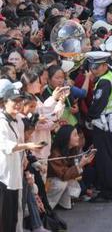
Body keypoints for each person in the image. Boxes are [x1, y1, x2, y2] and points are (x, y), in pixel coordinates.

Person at [0, 79, 45, 232]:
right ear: (4, 102)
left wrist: (27, 157)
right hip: (3, 177)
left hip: (16, 175)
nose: (18, 105)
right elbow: (7, 146)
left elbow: (21, 141)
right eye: (14, 101)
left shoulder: (18, 120)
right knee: (4, 217)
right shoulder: (1, 122)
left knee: (14, 215)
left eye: (20, 101)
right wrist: (28, 146)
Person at [85, 51, 112, 203]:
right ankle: (109, 187)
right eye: (91, 66)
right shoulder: (109, 76)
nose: (93, 69)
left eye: (95, 66)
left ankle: (107, 191)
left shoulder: (104, 82)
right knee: (110, 156)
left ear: (104, 65)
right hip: (111, 122)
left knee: (104, 159)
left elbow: (98, 105)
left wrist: (89, 118)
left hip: (103, 124)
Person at [47, 125, 95, 209]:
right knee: (61, 184)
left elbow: (75, 174)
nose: (78, 138)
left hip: (61, 179)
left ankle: (62, 203)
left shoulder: (73, 149)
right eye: (75, 135)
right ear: (66, 137)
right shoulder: (55, 153)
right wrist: (80, 165)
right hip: (50, 181)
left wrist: (82, 163)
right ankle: (47, 207)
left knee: (74, 187)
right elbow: (64, 175)